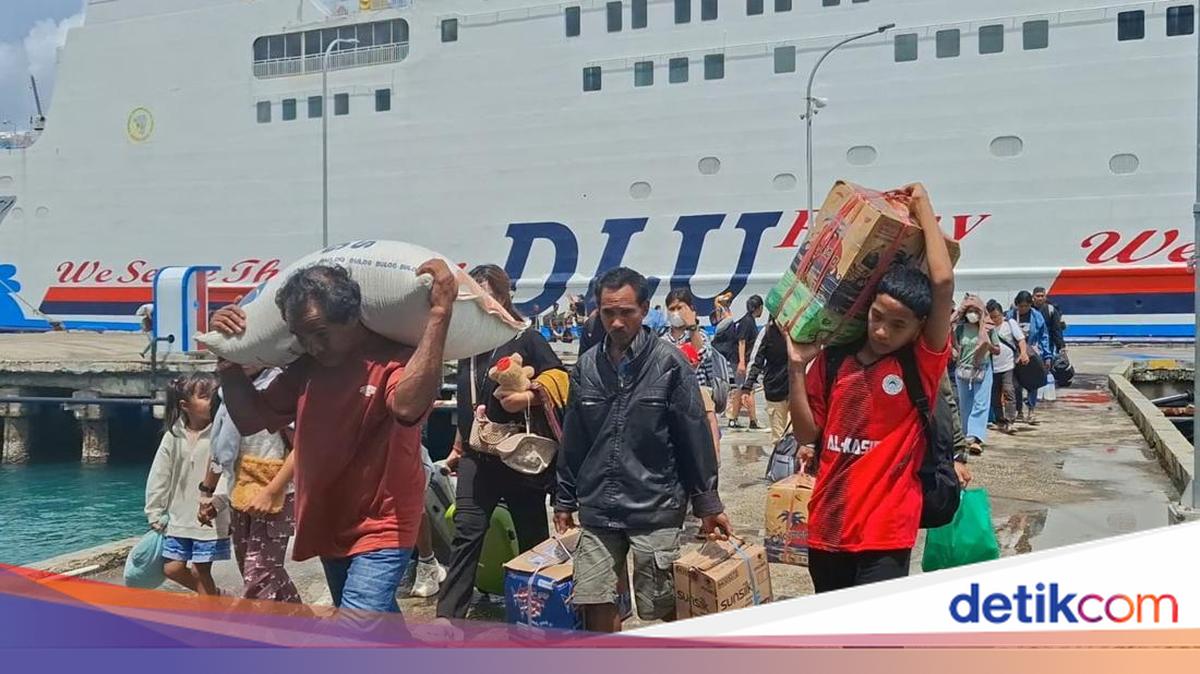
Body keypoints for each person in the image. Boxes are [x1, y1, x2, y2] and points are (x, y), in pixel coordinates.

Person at [208, 261, 455, 614]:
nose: (313, 346)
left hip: (382, 522)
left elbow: (408, 408)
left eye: (320, 333)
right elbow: (249, 419)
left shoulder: (392, 360)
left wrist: (440, 314)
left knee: (354, 627)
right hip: (326, 521)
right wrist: (228, 360)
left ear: (352, 318)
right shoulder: (304, 370)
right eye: (302, 337)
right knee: (377, 627)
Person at [786, 182, 955, 593]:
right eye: (877, 316)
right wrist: (795, 369)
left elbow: (943, 283)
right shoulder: (832, 364)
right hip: (827, 525)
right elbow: (809, 435)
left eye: (898, 325)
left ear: (919, 329)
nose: (882, 331)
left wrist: (923, 204)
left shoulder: (919, 365)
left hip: (885, 534)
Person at [555, 267, 733, 632]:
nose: (617, 322)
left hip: (655, 505)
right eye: (608, 313)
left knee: (660, 607)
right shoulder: (586, 368)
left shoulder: (669, 364)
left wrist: (708, 503)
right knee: (593, 598)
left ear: (645, 308)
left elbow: (693, 436)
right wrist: (564, 498)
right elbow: (574, 439)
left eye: (626, 312)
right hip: (599, 508)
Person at [436, 265, 568, 620]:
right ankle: (449, 616)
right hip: (478, 458)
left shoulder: (524, 336)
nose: (482, 303)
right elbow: (469, 401)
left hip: (519, 455)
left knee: (532, 535)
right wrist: (458, 445)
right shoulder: (467, 342)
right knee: (467, 532)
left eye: (488, 294)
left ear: (503, 295)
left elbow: (561, 377)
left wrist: (530, 397)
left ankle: (536, 609)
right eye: (475, 296)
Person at [205, 365, 301, 603]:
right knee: (261, 573)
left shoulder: (281, 388)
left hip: (278, 494)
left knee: (258, 575)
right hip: (240, 493)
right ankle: (301, 620)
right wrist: (207, 491)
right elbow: (219, 451)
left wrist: (270, 492)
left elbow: (301, 447)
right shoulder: (227, 393)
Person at [146, 372, 229, 596]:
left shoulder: (222, 433)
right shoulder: (173, 435)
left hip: (209, 519)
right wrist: (154, 511)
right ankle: (217, 598)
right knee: (172, 568)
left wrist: (218, 502)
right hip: (178, 518)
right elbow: (159, 475)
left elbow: (227, 472)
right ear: (185, 405)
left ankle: (209, 616)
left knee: (201, 570)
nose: (212, 401)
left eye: (215, 395)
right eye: (204, 396)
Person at [660, 288, 722, 460]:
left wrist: (692, 326)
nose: (675, 313)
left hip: (699, 399)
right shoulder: (662, 341)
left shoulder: (699, 334)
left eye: (680, 308)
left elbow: (702, 354)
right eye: (671, 309)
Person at [951, 295, 999, 455]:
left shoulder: (988, 329)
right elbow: (955, 347)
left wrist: (988, 346)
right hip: (963, 369)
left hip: (983, 369)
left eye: (975, 311)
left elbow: (997, 349)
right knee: (965, 403)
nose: (972, 314)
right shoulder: (959, 329)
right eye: (969, 310)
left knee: (981, 403)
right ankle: (966, 434)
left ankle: (976, 437)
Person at [1008, 290, 1051, 425]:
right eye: (1021, 306)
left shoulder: (1037, 317)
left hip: (1032, 354)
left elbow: (1044, 336)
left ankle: (1031, 410)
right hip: (1014, 355)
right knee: (1016, 384)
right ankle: (1018, 410)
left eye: (1026, 306)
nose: (1023, 309)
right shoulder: (1010, 316)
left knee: (1032, 383)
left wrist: (1047, 355)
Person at [744, 321, 789, 444]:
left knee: (796, 437)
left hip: (798, 392)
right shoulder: (767, 331)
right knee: (779, 439)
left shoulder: (800, 329)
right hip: (775, 390)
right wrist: (747, 386)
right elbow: (756, 360)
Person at [987, 299, 1027, 435]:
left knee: (1009, 391)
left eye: (996, 316)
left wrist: (1023, 353)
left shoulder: (1009, 324)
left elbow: (1021, 339)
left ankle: (1010, 421)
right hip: (991, 367)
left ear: (1001, 314)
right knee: (994, 395)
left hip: (1008, 366)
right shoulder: (986, 327)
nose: (994, 319)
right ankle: (1000, 420)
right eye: (991, 317)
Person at [725, 295, 763, 430]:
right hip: (741, 361)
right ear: (759, 308)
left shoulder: (749, 320)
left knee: (743, 390)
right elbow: (742, 341)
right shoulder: (747, 322)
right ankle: (751, 421)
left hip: (743, 360)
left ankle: (734, 419)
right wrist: (741, 362)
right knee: (747, 389)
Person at [1032, 287, 1066, 356]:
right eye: (1038, 296)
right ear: (1033, 297)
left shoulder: (1051, 310)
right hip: (1032, 346)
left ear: (1045, 297)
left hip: (1048, 346)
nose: (1040, 298)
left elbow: (1056, 329)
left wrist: (1061, 346)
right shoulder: (1028, 309)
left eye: (1042, 296)